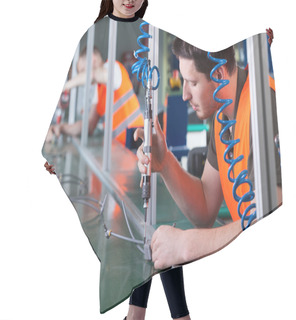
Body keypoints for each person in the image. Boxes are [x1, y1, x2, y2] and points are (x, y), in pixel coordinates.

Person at [45, 1, 191, 320]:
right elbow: (82, 124)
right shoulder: (97, 78)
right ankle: (142, 315)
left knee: (153, 230)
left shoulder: (112, 67)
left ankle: (160, 316)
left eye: (87, 67)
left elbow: (195, 56)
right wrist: (55, 144)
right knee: (147, 233)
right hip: (127, 161)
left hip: (142, 149)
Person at [134, 33, 281, 270]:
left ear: (219, 75)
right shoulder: (223, 118)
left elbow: (271, 223)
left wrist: (187, 245)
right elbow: (205, 209)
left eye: (192, 82)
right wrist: (165, 163)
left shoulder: (264, 104)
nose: (184, 94)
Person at [45, 46, 144, 147]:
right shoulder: (99, 88)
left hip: (136, 141)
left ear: (93, 58)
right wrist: (61, 128)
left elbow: (92, 75)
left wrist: (65, 87)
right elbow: (88, 126)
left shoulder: (113, 68)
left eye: (83, 70)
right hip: (122, 149)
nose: (82, 77)